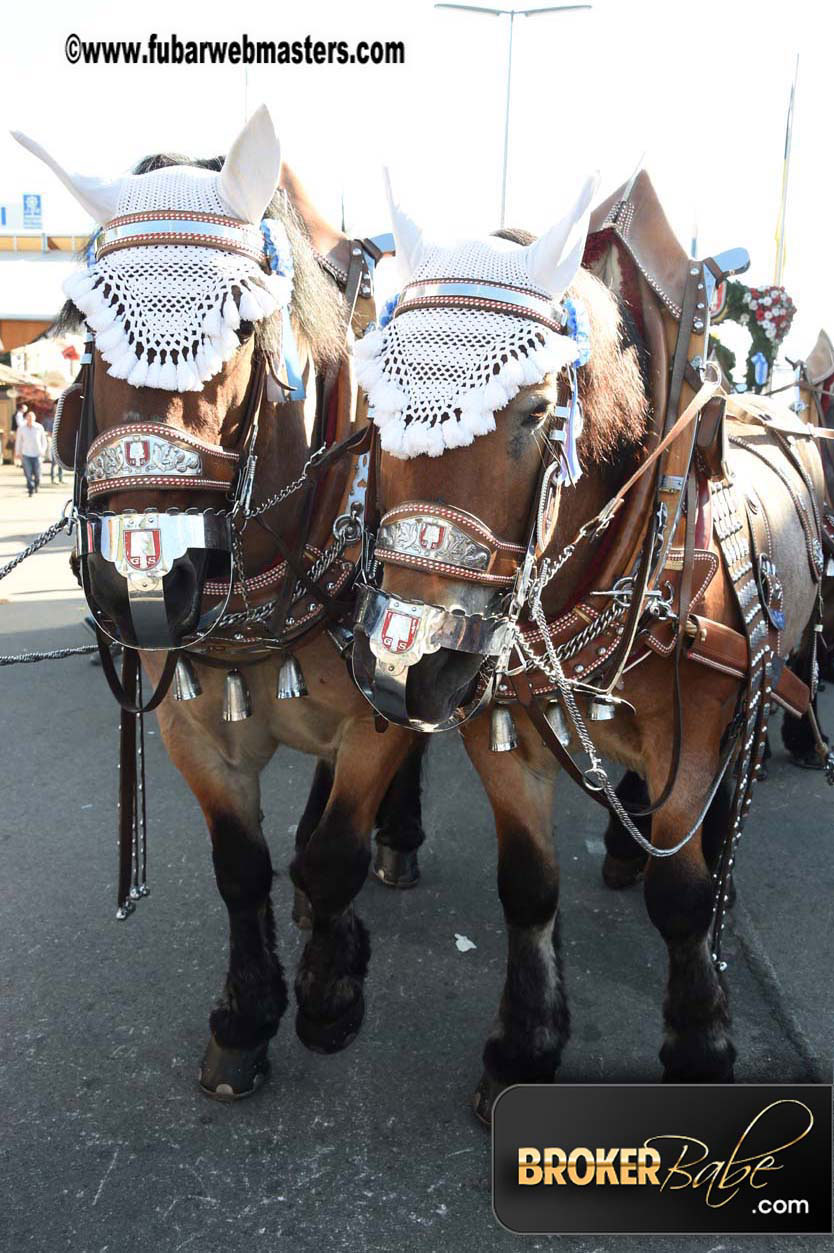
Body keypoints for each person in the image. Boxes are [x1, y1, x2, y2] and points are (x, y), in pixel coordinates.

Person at [14, 409, 48, 496]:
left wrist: (43, 450)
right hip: (26, 454)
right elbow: (19, 441)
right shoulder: (21, 428)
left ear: (34, 418)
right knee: (28, 473)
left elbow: (44, 440)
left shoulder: (39, 427)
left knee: (37, 474)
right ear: (26, 418)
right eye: (28, 417)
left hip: (37, 454)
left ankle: (36, 484)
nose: (30, 419)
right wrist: (17, 452)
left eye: (31, 418)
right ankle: (30, 488)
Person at [41, 409, 63, 483]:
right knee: (54, 463)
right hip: (54, 444)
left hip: (60, 444)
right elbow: (49, 432)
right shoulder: (51, 422)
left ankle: (60, 478)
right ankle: (53, 479)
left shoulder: (62, 422)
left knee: (61, 463)